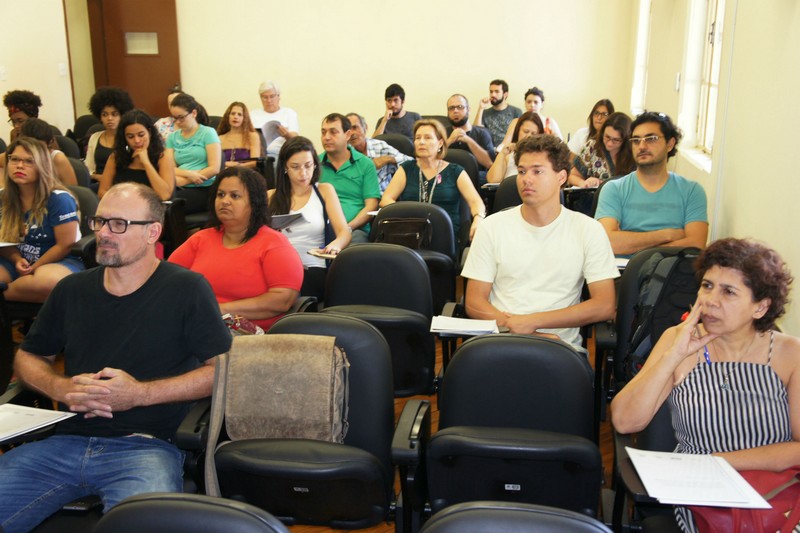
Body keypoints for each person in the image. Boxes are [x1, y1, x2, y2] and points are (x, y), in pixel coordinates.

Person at [0, 182, 232, 533]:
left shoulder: (186, 289)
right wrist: (60, 388)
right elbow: (30, 357)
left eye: (119, 224)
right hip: (64, 443)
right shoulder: (72, 289)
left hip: (147, 448)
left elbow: (221, 371)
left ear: (153, 231)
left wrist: (140, 394)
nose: (104, 233)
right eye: (100, 222)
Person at [610, 238, 799, 533]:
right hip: (702, 495)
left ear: (760, 307)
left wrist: (719, 462)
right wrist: (674, 356)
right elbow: (624, 421)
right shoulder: (677, 339)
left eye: (729, 292)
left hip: (775, 493)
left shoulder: (791, 354)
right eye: (707, 286)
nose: (710, 300)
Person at [461, 134, 618, 353]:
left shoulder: (588, 230)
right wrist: (520, 328)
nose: (526, 179)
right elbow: (474, 302)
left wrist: (533, 322)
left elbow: (605, 305)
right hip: (500, 340)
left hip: (560, 347)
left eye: (537, 171)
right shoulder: (492, 227)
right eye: (522, 171)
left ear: (561, 177)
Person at [169, 166, 303, 331]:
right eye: (221, 195)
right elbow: (168, 279)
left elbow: (282, 300)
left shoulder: (275, 244)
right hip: (197, 324)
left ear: (254, 203)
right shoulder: (200, 239)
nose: (225, 201)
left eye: (235, 196)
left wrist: (220, 310)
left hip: (249, 337)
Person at [595, 111, 709, 256]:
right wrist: (666, 235)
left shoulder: (692, 191)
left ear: (670, 144)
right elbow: (608, 243)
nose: (642, 146)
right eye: (636, 140)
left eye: (651, 139)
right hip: (625, 275)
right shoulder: (613, 189)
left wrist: (631, 244)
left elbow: (695, 245)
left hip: (673, 274)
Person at [0, 137, 83, 303]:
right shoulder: (3, 198)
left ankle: (4, 294)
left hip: (58, 260)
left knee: (49, 283)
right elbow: (3, 242)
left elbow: (65, 244)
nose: (20, 166)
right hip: (15, 259)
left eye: (29, 161)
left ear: (42, 166)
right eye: (14, 159)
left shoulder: (59, 199)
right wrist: (17, 260)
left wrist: (34, 267)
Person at [269, 137, 351, 301]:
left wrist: (335, 245)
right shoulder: (270, 196)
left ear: (315, 164)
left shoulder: (324, 191)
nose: (303, 173)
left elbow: (344, 232)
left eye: (308, 165)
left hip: (313, 265)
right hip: (277, 266)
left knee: (304, 289)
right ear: (285, 167)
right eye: (295, 167)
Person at [380, 119, 485, 241]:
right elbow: (386, 199)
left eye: (428, 138)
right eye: (417, 138)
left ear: (440, 143)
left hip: (445, 234)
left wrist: (478, 218)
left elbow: (476, 202)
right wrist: (406, 215)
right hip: (410, 232)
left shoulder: (455, 171)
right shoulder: (406, 168)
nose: (421, 142)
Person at [319, 113, 381, 244]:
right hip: (321, 229)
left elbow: (371, 205)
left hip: (355, 230)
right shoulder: (314, 164)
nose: (326, 137)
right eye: (323, 132)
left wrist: (347, 228)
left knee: (352, 254)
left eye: (333, 132)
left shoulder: (365, 164)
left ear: (347, 135)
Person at [99, 109, 176, 200]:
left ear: (149, 133)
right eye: (130, 137)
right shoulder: (116, 157)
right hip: (122, 207)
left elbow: (164, 196)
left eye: (141, 135)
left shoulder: (162, 157)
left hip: (152, 210)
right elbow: (102, 191)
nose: (137, 141)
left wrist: (146, 163)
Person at [165, 93, 221, 214]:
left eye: (181, 117)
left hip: (204, 187)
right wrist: (189, 174)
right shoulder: (171, 138)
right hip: (177, 184)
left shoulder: (208, 133)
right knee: (159, 203)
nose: (178, 122)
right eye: (174, 118)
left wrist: (184, 181)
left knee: (172, 207)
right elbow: (169, 167)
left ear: (194, 113)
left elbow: (214, 168)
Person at [0, 118, 78, 186]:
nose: (34, 151)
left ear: (49, 143)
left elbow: (73, 192)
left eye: (39, 147)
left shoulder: (57, 159)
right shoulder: (15, 157)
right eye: (29, 146)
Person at [346, 112, 412, 192]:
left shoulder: (379, 146)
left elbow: (411, 162)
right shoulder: (344, 153)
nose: (352, 133)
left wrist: (388, 159)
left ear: (365, 127)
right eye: (348, 130)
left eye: (355, 127)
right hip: (357, 199)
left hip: (382, 198)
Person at [568, 111, 635, 188]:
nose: (610, 143)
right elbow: (572, 176)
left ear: (626, 140)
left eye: (616, 140)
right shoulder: (592, 147)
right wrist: (584, 183)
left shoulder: (633, 151)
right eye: (607, 137)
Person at [85, 87, 135, 182]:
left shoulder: (129, 138)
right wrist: (99, 177)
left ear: (122, 115)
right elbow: (89, 169)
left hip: (122, 184)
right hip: (98, 183)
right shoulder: (95, 137)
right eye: (105, 114)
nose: (109, 118)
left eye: (114, 114)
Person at [486, 111, 544, 183]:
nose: (529, 136)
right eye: (526, 131)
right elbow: (493, 180)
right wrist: (502, 154)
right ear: (518, 131)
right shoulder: (508, 155)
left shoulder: (543, 157)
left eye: (533, 133)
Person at [445, 94, 495, 172]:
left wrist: (468, 140)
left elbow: (489, 164)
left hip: (476, 179)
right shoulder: (441, 133)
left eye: (460, 107)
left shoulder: (482, 133)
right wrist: (449, 141)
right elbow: (431, 158)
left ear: (468, 109)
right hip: (447, 178)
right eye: (451, 108)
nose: (455, 111)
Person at [249, 81, 299, 159]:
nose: (269, 101)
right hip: (258, 155)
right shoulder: (253, 114)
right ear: (260, 98)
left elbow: (296, 140)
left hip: (281, 154)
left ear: (278, 96)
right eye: (265, 97)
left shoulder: (288, 113)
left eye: (272, 96)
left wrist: (286, 135)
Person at [473, 79, 523, 148]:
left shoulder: (516, 112)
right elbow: (476, 133)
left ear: (505, 94)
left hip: (509, 150)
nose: (493, 95)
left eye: (497, 92)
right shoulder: (485, 113)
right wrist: (481, 108)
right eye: (491, 92)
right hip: (489, 151)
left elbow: (521, 135)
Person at [217, 101, 262, 169]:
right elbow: (215, 162)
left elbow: (254, 162)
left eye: (239, 114)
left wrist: (237, 166)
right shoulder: (220, 138)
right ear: (228, 116)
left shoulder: (252, 136)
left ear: (245, 118)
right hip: (223, 174)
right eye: (233, 113)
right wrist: (226, 164)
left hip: (245, 173)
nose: (235, 117)